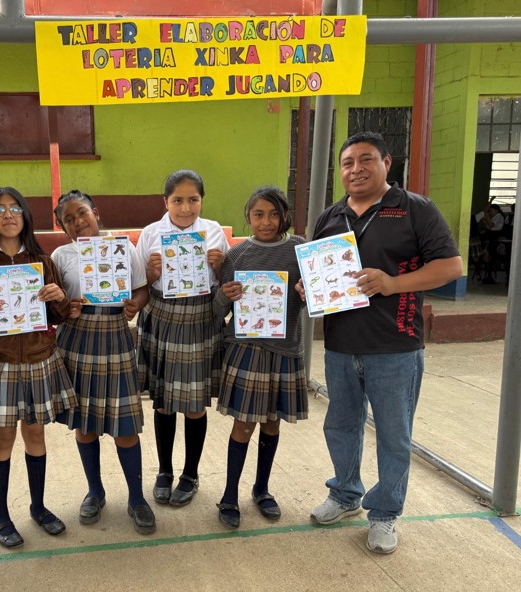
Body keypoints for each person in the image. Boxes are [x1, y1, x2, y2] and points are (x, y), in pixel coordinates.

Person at [301, 132, 462, 554]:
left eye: (366, 159)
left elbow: (450, 266)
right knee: (340, 425)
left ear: (386, 163)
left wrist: (393, 283)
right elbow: (321, 272)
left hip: (396, 346)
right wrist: (309, 289)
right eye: (348, 163)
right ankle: (344, 493)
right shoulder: (330, 216)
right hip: (340, 345)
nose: (356, 169)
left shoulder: (415, 209)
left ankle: (386, 512)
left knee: (393, 434)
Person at [0, 187, 77, 548]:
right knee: (4, 439)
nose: (8, 215)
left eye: (15, 209)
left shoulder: (42, 259)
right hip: (2, 362)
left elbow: (58, 315)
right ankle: (1, 515)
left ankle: (38, 507)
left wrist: (60, 298)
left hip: (40, 358)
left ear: (25, 215)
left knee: (36, 435)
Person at [51, 189, 156, 534]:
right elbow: (54, 304)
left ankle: (137, 498)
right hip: (76, 341)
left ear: (95, 212)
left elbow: (142, 288)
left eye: (82, 213)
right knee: (86, 425)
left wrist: (135, 304)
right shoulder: (60, 256)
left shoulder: (123, 248)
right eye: (68, 219)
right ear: (62, 227)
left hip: (115, 337)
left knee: (125, 427)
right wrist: (66, 308)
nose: (77, 222)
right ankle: (95, 492)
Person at [213, 186, 308, 529]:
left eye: (273, 214)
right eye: (258, 215)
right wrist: (225, 296)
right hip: (248, 351)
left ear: (284, 216)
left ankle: (262, 489)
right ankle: (229, 495)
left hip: (285, 350)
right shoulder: (237, 256)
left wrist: (308, 293)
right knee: (243, 425)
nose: (266, 222)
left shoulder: (300, 250)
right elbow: (217, 310)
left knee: (272, 423)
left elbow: (316, 300)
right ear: (248, 217)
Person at [136, 169, 229, 506]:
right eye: (178, 200)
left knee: (193, 404)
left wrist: (219, 266)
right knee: (163, 402)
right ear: (166, 202)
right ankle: (164, 471)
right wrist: (151, 273)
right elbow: (139, 283)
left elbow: (225, 281)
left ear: (202, 200)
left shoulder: (214, 231)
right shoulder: (150, 234)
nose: (186, 208)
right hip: (162, 317)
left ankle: (190, 474)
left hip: (200, 319)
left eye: (193, 200)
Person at [479, 203, 505, 284]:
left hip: (494, 237)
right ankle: (488, 274)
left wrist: (486, 217)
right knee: (487, 256)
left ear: (496, 210)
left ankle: (490, 275)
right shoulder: (494, 217)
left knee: (490, 256)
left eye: (491, 211)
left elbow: (491, 225)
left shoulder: (499, 217)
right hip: (490, 237)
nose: (490, 212)